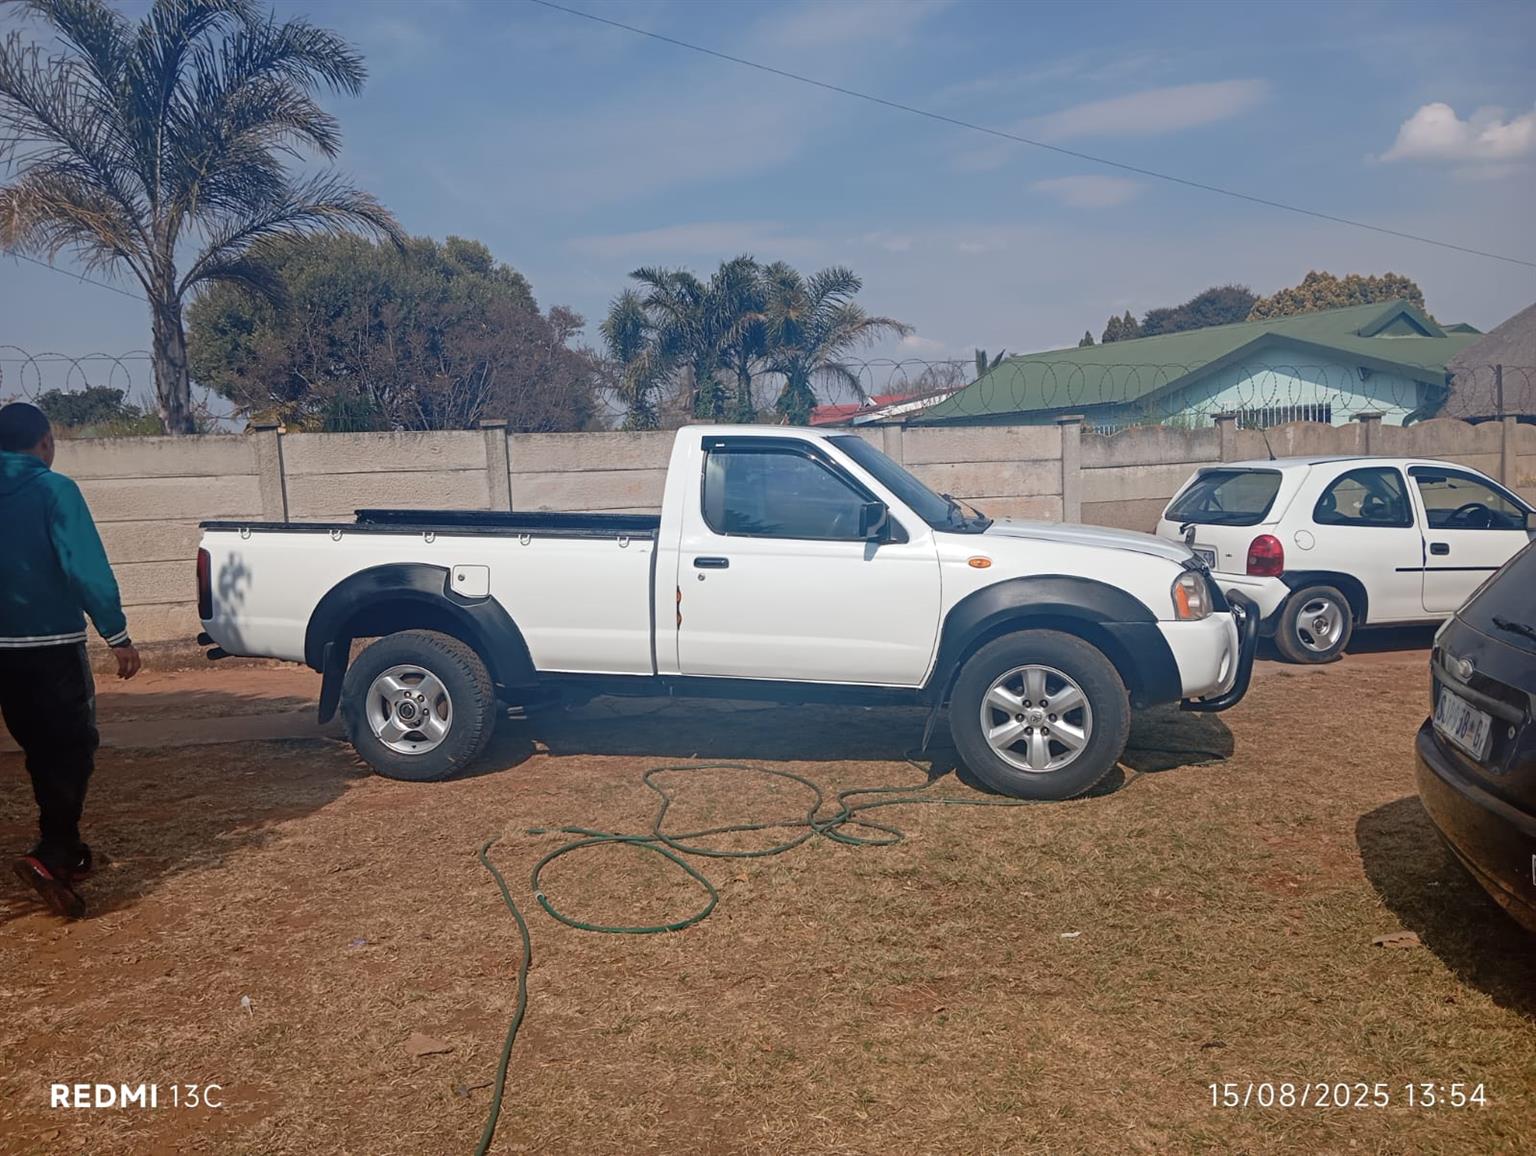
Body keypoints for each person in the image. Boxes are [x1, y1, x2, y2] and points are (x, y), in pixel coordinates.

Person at [0, 401, 140, 918]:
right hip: (50, 645)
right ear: (45, 443)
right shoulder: (54, 490)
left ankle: (66, 851)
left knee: (40, 748)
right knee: (71, 746)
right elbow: (84, 566)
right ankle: (54, 850)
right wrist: (117, 634)